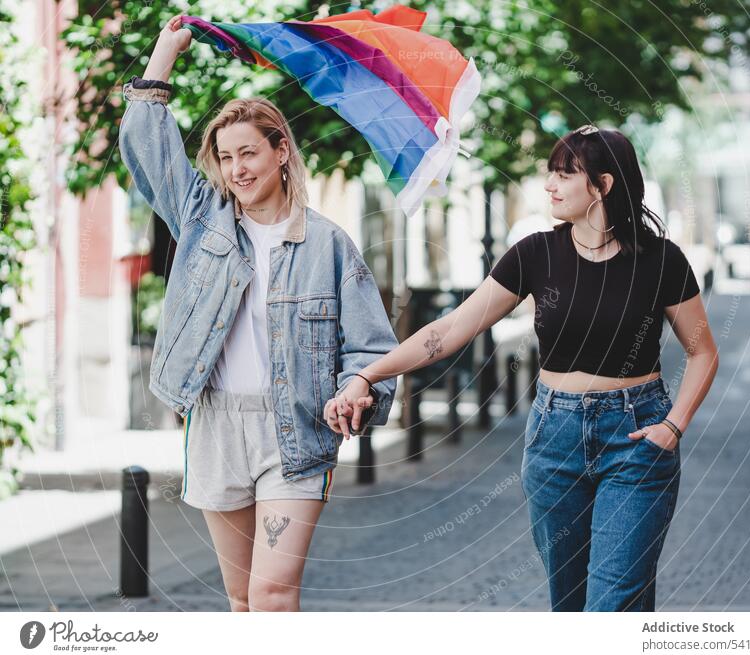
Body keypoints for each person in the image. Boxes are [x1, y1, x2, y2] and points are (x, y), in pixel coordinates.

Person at [328, 124, 718, 611]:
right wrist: (370, 374)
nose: (549, 185)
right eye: (549, 174)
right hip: (555, 439)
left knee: (614, 603)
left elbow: (703, 351)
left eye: (563, 174)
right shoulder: (537, 253)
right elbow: (448, 331)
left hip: (637, 437)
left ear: (604, 184)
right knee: (569, 602)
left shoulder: (661, 260)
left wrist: (673, 426)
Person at [118, 16, 398, 611]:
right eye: (225, 158)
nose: (238, 168)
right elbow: (147, 145)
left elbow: (372, 349)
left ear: (281, 152)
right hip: (217, 424)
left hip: (292, 428)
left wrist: (356, 386)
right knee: (242, 598)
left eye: (249, 152)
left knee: (273, 593)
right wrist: (164, 54)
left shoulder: (328, 245)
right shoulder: (201, 223)